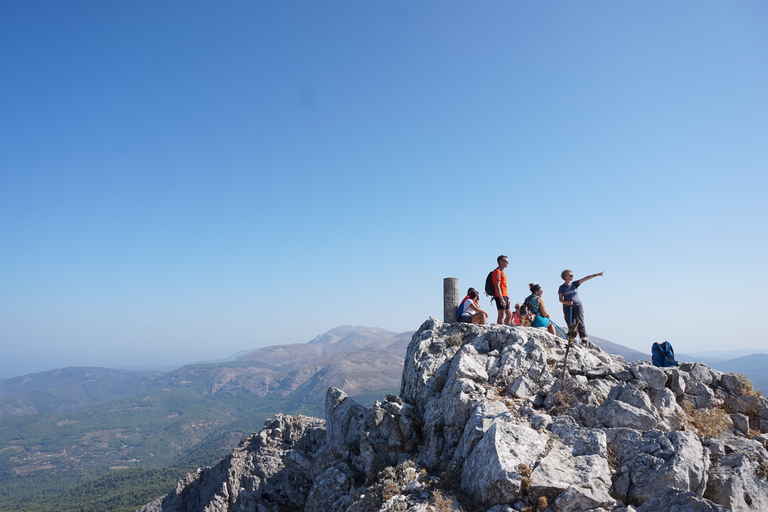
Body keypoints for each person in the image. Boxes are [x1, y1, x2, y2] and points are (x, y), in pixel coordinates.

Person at [558, 270, 604, 342]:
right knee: (570, 322)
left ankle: (583, 338)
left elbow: (585, 278)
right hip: (567, 307)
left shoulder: (574, 284)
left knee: (579, 320)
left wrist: (596, 275)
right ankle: (573, 336)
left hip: (577, 305)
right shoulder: (561, 287)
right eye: (571, 275)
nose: (572, 276)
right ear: (566, 276)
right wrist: (567, 303)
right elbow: (560, 299)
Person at [492, 255, 513, 325]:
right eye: (506, 261)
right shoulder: (497, 272)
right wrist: (501, 298)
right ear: (501, 262)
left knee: (509, 314)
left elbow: (504, 286)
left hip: (505, 295)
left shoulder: (502, 272)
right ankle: (500, 330)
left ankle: (507, 328)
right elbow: (497, 286)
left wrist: (508, 297)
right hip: (499, 295)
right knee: (501, 314)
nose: (508, 263)